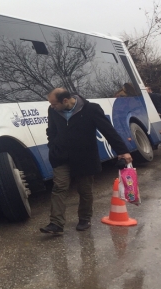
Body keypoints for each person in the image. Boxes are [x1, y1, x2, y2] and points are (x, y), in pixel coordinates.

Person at [40, 88, 133, 235]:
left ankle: (84, 218)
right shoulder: (53, 111)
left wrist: (122, 151)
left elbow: (108, 130)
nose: (52, 106)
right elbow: (51, 131)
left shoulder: (91, 109)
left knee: (84, 190)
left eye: (54, 104)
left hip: (85, 157)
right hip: (61, 156)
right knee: (59, 187)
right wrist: (53, 145)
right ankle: (56, 224)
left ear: (65, 101)